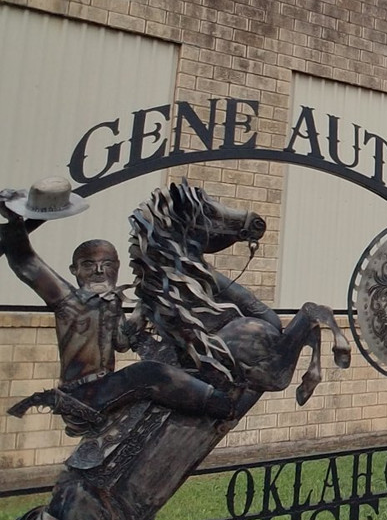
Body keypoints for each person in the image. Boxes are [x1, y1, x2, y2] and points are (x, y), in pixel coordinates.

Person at [1, 177, 234, 429]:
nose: (99, 270)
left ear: (117, 268)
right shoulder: (67, 300)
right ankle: (223, 405)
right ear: (74, 270)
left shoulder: (111, 303)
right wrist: (15, 221)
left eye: (107, 264)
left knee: (165, 368)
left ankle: (209, 390)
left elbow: (121, 344)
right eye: (89, 264)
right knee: (148, 373)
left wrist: (141, 311)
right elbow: (27, 263)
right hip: (82, 394)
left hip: (106, 387)